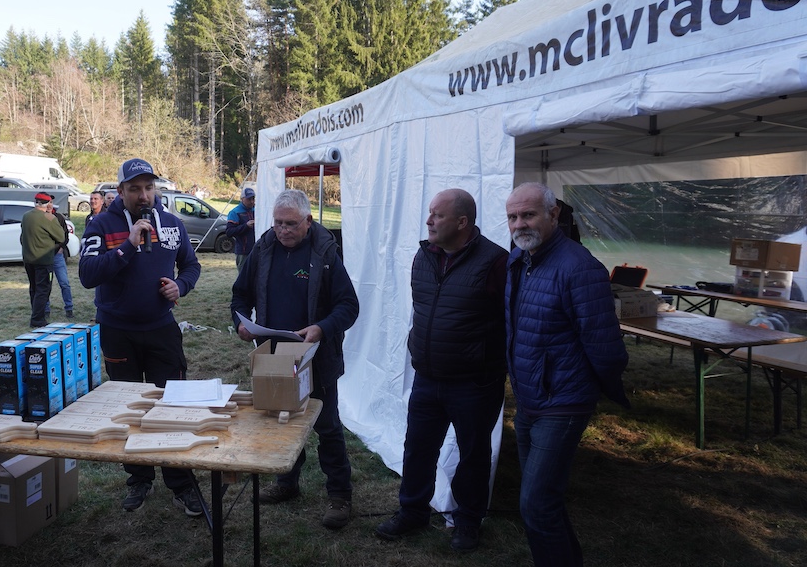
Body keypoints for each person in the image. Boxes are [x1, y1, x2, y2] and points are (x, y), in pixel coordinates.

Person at [504, 182, 630, 567]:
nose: (519, 224)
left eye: (528, 215)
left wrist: (601, 388)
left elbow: (606, 346)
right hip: (529, 399)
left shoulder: (580, 268)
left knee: (536, 503)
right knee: (545, 499)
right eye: (513, 217)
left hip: (563, 403)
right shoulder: (520, 259)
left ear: (554, 214)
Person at [375, 189, 507, 552]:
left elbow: (510, 321)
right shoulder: (425, 255)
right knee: (417, 448)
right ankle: (412, 512)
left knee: (473, 454)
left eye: (438, 215)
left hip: (474, 382)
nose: (429, 221)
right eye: (430, 213)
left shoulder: (496, 262)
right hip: (427, 376)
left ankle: (467, 522)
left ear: (462, 222)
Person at [78, 158, 203, 518]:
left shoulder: (173, 224)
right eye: (135, 188)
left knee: (171, 406)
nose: (144, 195)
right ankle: (139, 478)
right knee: (129, 408)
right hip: (118, 331)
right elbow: (87, 274)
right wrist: (128, 245)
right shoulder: (101, 225)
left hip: (161, 329)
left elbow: (191, 266)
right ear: (120, 191)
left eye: (149, 187)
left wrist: (180, 286)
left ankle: (181, 483)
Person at [230, 189, 360, 529]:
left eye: (290, 224)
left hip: (317, 357)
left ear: (308, 221)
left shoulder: (326, 253)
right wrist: (240, 323)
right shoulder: (263, 249)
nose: (283, 230)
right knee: (280, 421)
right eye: (278, 223)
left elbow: (349, 306)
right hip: (274, 358)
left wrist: (321, 328)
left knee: (327, 427)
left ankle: (340, 495)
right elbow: (240, 294)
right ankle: (287, 483)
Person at [21, 192, 65, 328]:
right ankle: (37, 318)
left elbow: (22, 237)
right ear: (46, 204)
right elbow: (61, 237)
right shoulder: (49, 218)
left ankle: (35, 314)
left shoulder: (26, 216)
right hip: (44, 259)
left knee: (34, 287)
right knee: (43, 289)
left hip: (28, 259)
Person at [46, 205, 74, 319]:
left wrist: (62, 247)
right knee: (46, 284)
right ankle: (46, 310)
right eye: (47, 202)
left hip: (57, 256)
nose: (49, 205)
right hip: (45, 257)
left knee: (64, 283)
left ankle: (69, 308)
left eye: (51, 202)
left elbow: (65, 235)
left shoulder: (59, 217)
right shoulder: (40, 218)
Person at [226, 187, 256, 269]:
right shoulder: (235, 212)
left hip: (257, 250)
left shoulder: (257, 210)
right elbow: (229, 232)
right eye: (249, 199)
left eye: (253, 198)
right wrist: (246, 226)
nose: (252, 201)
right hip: (243, 252)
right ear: (242, 199)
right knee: (244, 275)